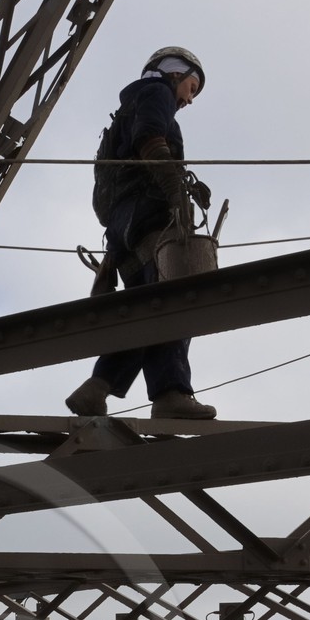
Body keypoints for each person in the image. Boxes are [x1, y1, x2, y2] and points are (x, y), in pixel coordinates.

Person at [66, 46, 217, 422]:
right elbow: (150, 141)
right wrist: (176, 195)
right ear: (174, 73)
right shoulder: (156, 94)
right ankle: (171, 393)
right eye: (192, 86)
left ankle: (96, 388)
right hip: (149, 221)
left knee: (142, 309)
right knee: (174, 300)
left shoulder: (126, 109)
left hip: (123, 232)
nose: (189, 98)